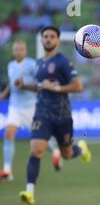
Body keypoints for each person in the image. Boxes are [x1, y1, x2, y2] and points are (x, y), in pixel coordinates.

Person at [16, 26, 91, 205]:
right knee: (36, 150)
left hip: (62, 115)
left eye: (52, 36)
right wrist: (24, 85)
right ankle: (29, 192)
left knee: (67, 153)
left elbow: (78, 86)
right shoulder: (39, 63)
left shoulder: (63, 61)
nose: (48, 39)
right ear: (41, 40)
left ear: (57, 40)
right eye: (45, 36)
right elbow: (41, 85)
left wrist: (56, 88)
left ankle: (80, 149)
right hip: (42, 114)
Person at [0, 40, 62, 182]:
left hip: (31, 107)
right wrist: (4, 93)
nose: (18, 52)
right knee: (9, 134)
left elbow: (40, 84)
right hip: (15, 106)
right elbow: (12, 82)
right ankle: (8, 171)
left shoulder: (31, 65)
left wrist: (24, 85)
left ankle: (56, 151)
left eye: (21, 49)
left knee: (41, 138)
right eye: (16, 49)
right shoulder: (11, 65)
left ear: (26, 51)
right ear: (13, 51)